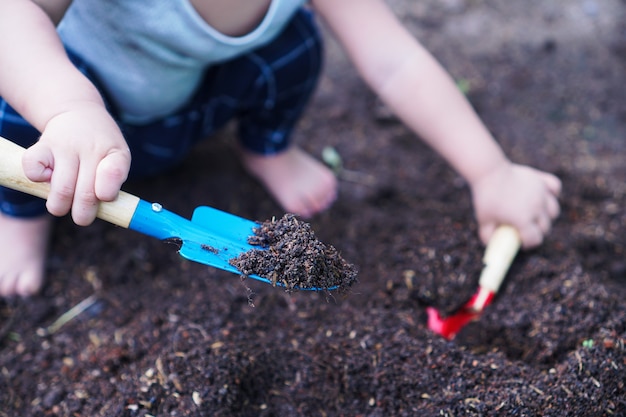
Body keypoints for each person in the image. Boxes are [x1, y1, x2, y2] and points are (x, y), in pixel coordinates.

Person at [0, 0, 561, 297]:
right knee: (15, 106)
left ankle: (266, 148)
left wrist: (489, 170)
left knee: (294, 46)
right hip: (81, 130)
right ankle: (24, 213)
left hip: (195, 105)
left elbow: (396, 60)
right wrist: (69, 108)